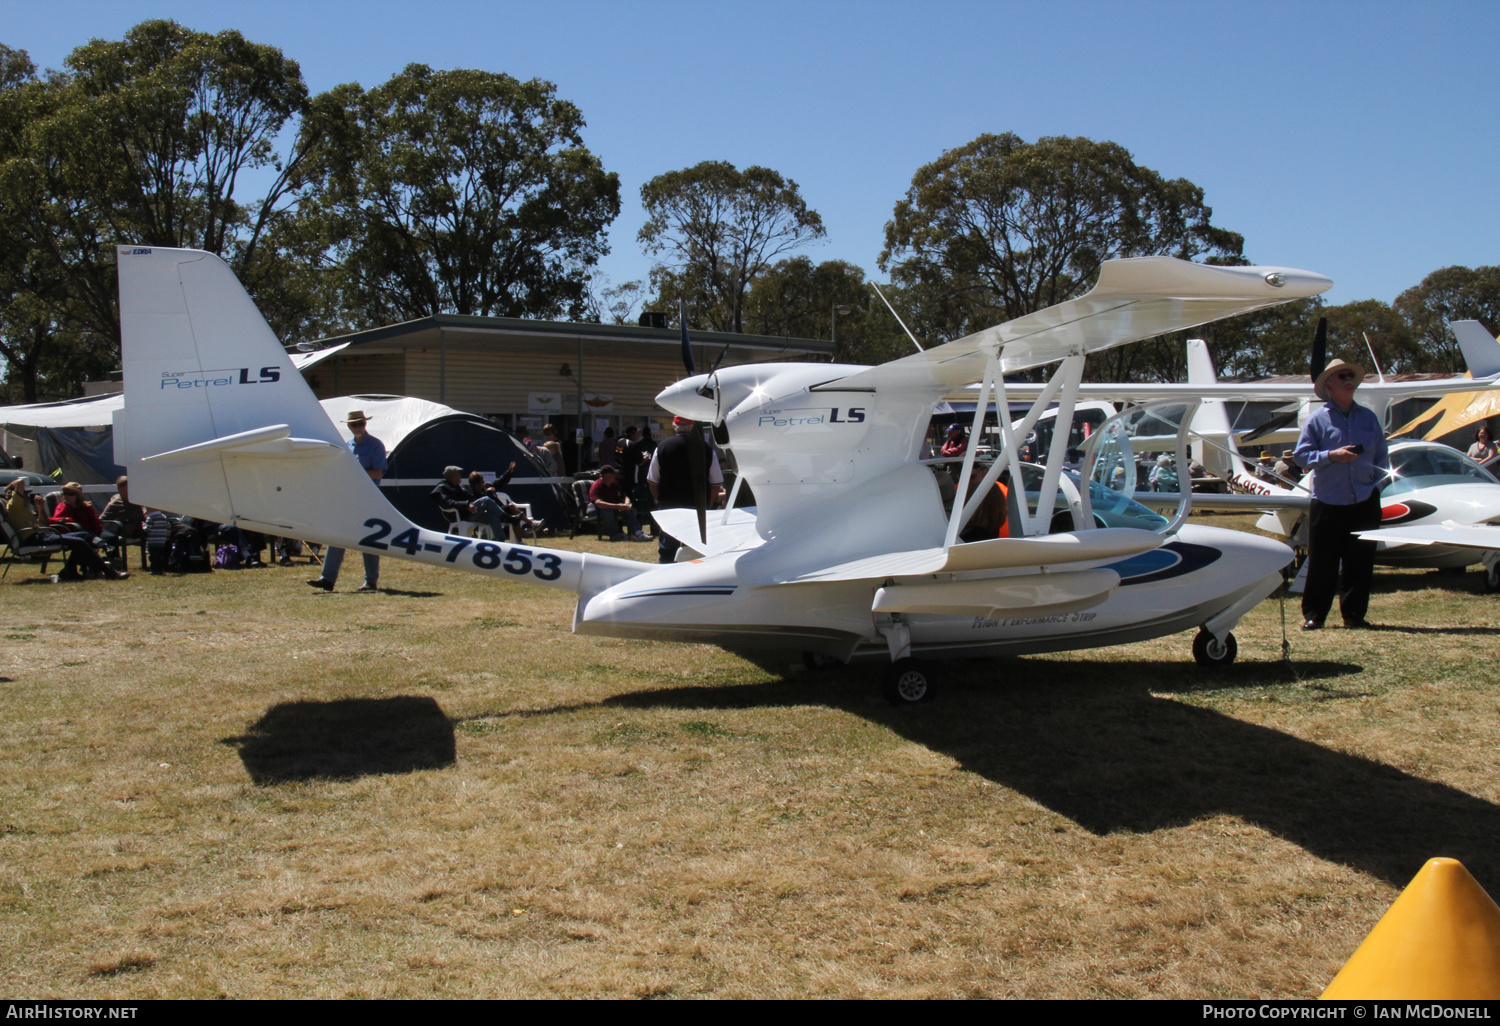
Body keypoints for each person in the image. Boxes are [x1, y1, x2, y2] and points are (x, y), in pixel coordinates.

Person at [1293, 358, 1389, 630]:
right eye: (1342, 376)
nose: (1349, 379)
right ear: (1329, 385)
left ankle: (1354, 615)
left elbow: (1381, 456)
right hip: (1328, 502)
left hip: (1364, 499)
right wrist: (1331, 456)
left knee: (1360, 561)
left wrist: (1376, 488)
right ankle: (1314, 616)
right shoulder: (1317, 419)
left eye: (1351, 375)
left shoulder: (1368, 418)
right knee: (1323, 563)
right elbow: (1300, 457)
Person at [308, 410, 386, 593]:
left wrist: (355, 474)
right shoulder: (347, 446)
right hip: (348, 497)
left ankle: (371, 581)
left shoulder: (376, 445)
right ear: (349, 426)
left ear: (365, 424)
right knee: (337, 536)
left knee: (368, 540)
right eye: (354, 424)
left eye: (361, 423)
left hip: (368, 498)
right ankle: (327, 579)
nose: (358, 427)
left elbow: (377, 473)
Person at [4, 478, 126, 580]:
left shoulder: (25, 509)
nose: (27, 496)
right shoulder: (14, 505)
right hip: (34, 538)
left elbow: (42, 523)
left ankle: (70, 570)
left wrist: (40, 507)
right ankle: (108, 571)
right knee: (79, 541)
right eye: (25, 494)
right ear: (15, 494)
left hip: (42, 534)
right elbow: (20, 482)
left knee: (84, 535)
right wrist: (12, 487)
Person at [648, 417, 725, 564]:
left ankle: (666, 576)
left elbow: (652, 480)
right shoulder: (705, 448)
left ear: (674, 425)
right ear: (692, 426)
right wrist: (707, 504)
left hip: (669, 506)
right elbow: (716, 482)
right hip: (696, 507)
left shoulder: (662, 447)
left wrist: (660, 499)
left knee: (667, 549)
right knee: (694, 550)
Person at [590, 465, 648, 541]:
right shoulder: (597, 485)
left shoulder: (615, 484)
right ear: (607, 475)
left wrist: (626, 504)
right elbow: (598, 503)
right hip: (596, 510)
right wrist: (617, 506)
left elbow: (624, 496)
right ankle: (614, 535)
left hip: (614, 509)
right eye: (613, 474)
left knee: (630, 510)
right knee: (608, 512)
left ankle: (637, 533)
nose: (615, 476)